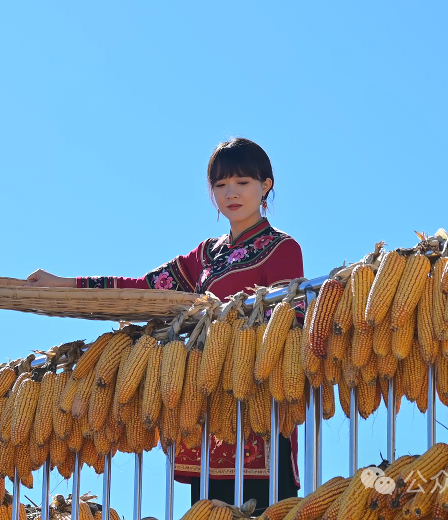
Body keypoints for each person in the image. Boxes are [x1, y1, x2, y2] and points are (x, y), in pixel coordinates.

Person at [26, 137, 303, 511]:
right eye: (220, 186)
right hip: (205, 402)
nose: (230, 194)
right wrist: (64, 284)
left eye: (242, 183)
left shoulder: (283, 248)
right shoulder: (207, 255)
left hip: (254, 399)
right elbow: (144, 290)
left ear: (266, 185)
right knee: (209, 510)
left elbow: (290, 321)